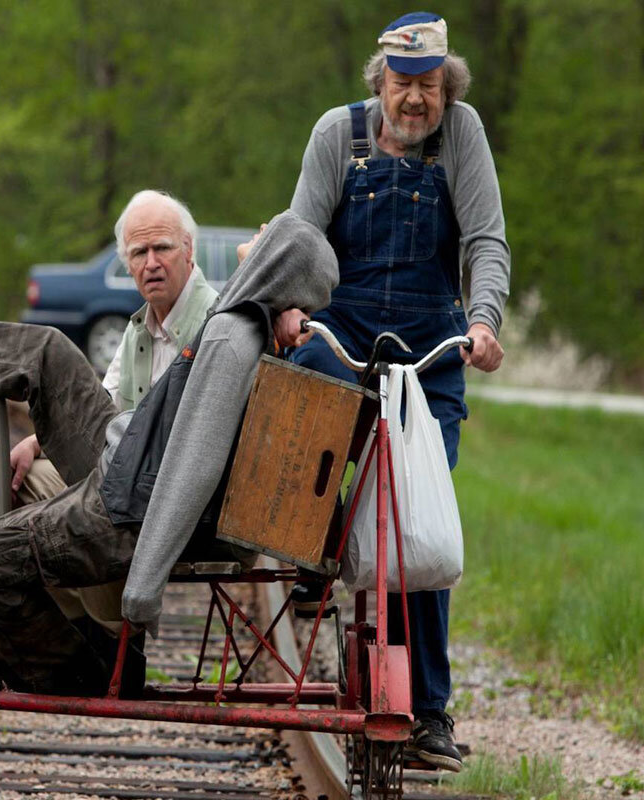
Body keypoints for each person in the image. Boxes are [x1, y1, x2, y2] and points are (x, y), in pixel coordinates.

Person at [0, 207, 338, 697]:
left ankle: (79, 672)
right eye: (140, 251)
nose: (257, 230)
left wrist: (142, 590)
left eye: (267, 232)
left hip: (131, 504)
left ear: (274, 259)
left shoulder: (231, 334)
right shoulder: (248, 315)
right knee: (47, 351)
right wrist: (280, 308)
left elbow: (195, 467)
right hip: (132, 461)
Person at [282, 11, 510, 773]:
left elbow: (484, 240)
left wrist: (481, 322)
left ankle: (430, 714)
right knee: (294, 396)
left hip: (430, 350)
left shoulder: (462, 135)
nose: (416, 101)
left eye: (431, 87)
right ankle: (314, 545)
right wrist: (289, 308)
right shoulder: (335, 137)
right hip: (344, 330)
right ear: (380, 81)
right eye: (404, 84)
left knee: (420, 529)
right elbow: (303, 236)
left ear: (449, 87)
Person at [10, 190, 222, 638]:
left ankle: (113, 633)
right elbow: (100, 410)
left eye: (161, 248)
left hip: (180, 504)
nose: (151, 263)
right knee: (19, 480)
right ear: (127, 264)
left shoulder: (217, 324)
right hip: (128, 484)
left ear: (188, 250)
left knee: (87, 510)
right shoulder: (139, 329)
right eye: (138, 253)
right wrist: (36, 442)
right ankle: (95, 628)